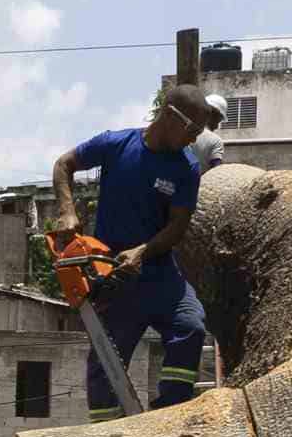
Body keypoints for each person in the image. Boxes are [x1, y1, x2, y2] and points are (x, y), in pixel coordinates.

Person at [49, 83, 218, 414]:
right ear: (170, 116)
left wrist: (142, 251)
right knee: (105, 364)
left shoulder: (185, 167)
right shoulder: (116, 144)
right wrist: (67, 211)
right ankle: (109, 436)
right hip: (114, 278)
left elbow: (177, 227)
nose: (195, 139)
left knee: (191, 326)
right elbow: (63, 165)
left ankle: (171, 410)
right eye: (193, 129)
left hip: (159, 274)